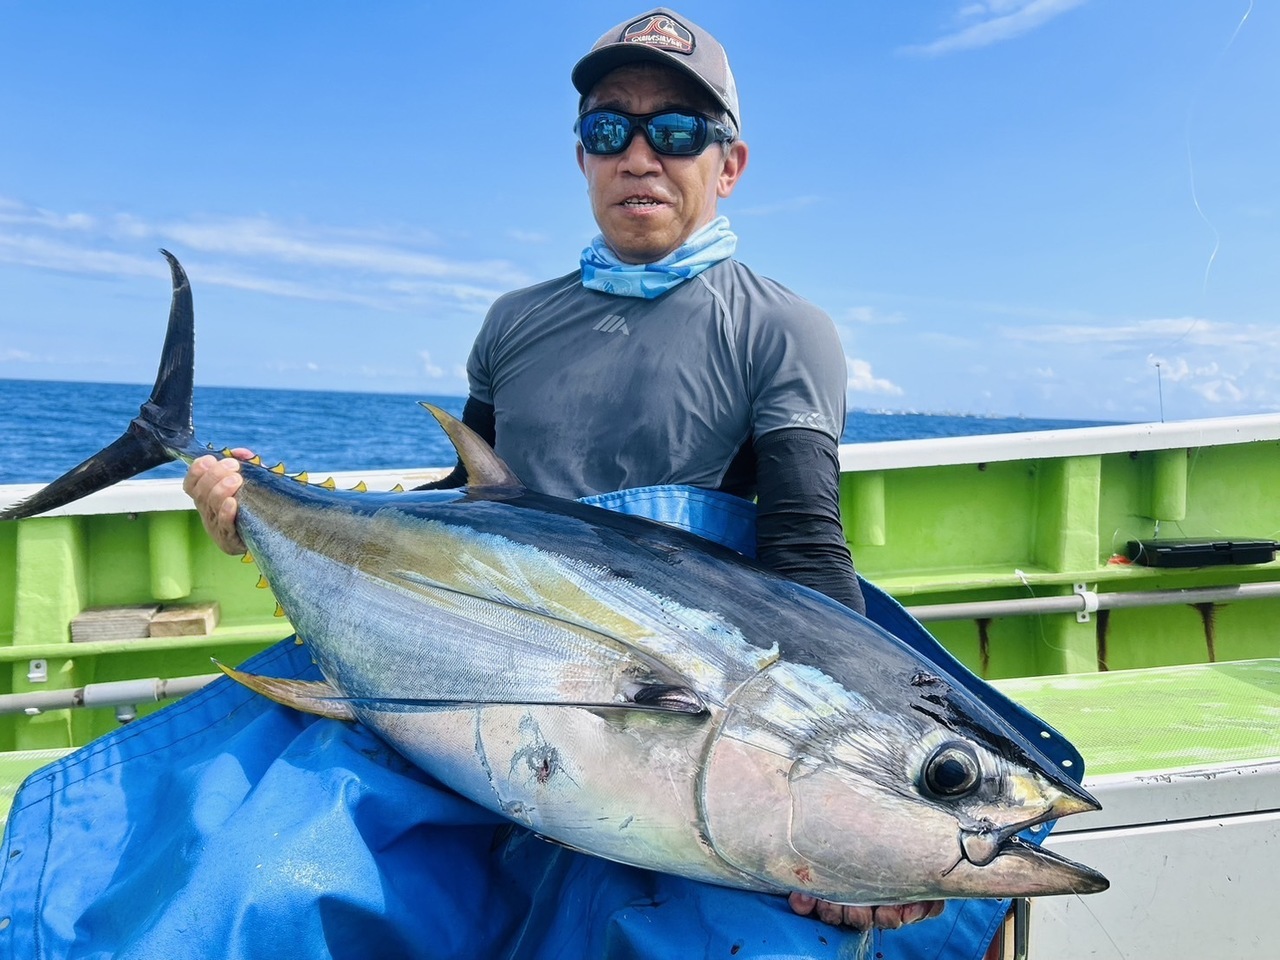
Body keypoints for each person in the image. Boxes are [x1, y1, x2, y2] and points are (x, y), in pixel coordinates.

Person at [185, 6, 946, 938]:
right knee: (256, 885)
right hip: (475, 663)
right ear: (580, 156)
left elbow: (807, 558)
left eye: (676, 130)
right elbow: (465, 514)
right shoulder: (513, 321)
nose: (639, 155)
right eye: (607, 128)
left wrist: (854, 799)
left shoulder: (781, 329)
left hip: (641, 711)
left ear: (729, 165)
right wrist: (261, 506)